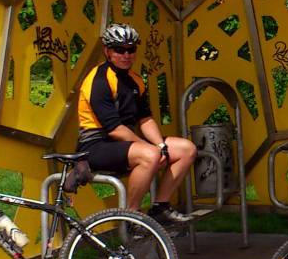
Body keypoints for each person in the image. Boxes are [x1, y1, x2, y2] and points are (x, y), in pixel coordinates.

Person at [76, 23, 197, 225]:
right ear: (107, 51)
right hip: (95, 145)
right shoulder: (98, 80)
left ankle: (161, 207)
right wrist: (152, 149)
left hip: (125, 142)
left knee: (186, 149)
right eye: (119, 50)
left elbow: (145, 118)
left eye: (131, 49)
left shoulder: (135, 80)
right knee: (150, 155)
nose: (126, 55)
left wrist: (161, 145)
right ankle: (131, 218)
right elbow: (114, 129)